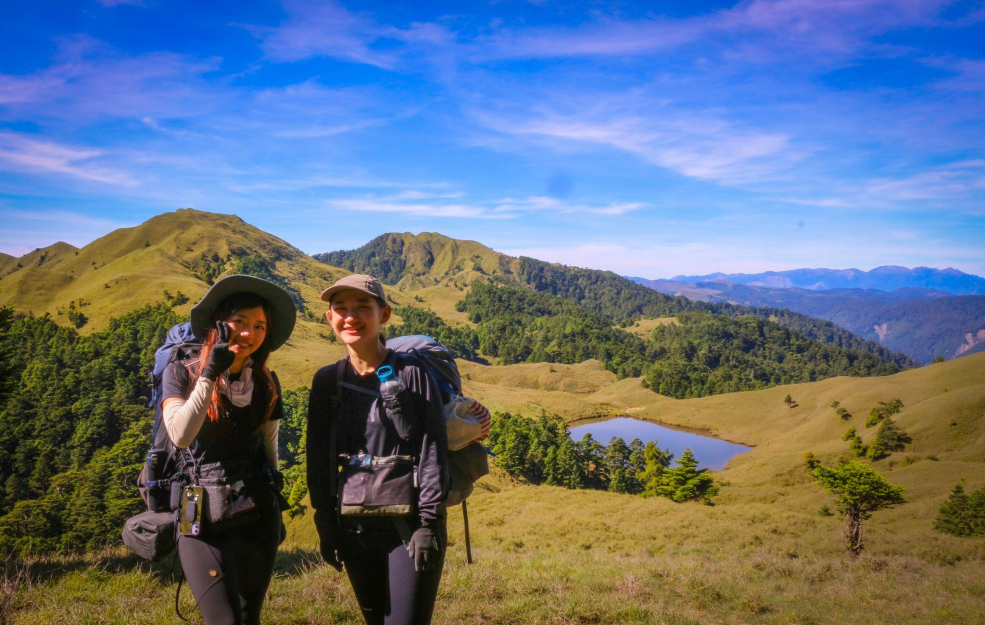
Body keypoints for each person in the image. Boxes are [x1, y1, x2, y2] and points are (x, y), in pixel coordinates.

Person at [307, 274, 450, 625]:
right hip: (353, 523)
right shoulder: (327, 381)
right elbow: (319, 457)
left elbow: (431, 448)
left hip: (410, 523)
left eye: (362, 307)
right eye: (341, 308)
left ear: (383, 314)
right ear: (329, 317)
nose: (350, 317)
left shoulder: (412, 373)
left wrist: (429, 523)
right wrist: (325, 522)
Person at [161, 274, 296, 625]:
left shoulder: (266, 381)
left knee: (249, 617)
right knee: (224, 620)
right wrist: (209, 374)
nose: (249, 333)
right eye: (240, 322)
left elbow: (269, 447)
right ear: (218, 324)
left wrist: (275, 500)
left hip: (257, 507)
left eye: (259, 326)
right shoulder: (180, 373)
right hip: (199, 512)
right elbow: (180, 435)